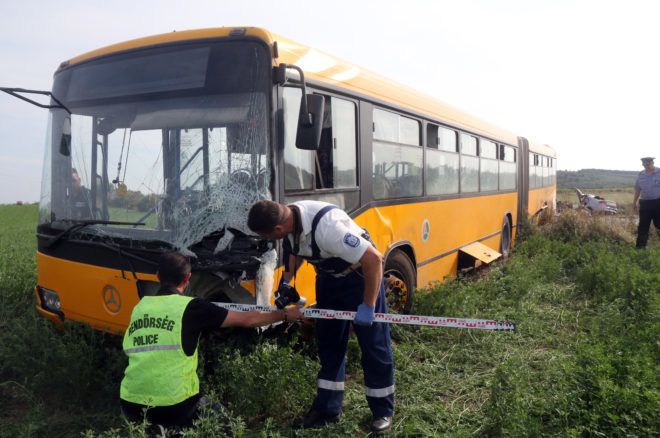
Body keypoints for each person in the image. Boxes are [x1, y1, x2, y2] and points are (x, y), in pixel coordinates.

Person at [247, 200, 394, 434]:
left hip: (360, 278)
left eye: (268, 236)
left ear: (277, 229)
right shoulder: (287, 219)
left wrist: (368, 305)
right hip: (329, 279)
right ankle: (327, 409)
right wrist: (286, 281)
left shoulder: (328, 227)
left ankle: (382, 411)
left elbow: (374, 259)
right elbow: (296, 251)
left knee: (374, 346)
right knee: (329, 345)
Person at [119, 251, 304, 431]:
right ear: (187, 278)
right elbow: (248, 319)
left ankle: (157, 431)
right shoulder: (192, 307)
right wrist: (286, 314)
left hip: (130, 403)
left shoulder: (140, 307)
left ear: (157, 276)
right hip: (175, 404)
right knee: (228, 425)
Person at [632, 157, 660, 248]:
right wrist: (634, 203)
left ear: (652, 163)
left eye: (648, 165)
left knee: (659, 225)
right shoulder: (641, 175)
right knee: (643, 226)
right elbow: (637, 189)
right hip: (644, 203)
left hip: (658, 202)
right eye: (644, 165)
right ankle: (640, 247)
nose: (646, 167)